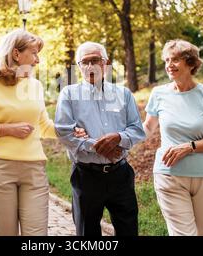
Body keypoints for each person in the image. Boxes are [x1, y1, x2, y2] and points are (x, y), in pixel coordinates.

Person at [0, 29, 85, 236]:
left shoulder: (35, 86)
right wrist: (6, 129)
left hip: (34, 170)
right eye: (34, 53)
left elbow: (43, 126)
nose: (38, 60)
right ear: (17, 54)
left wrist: (71, 131)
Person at [54, 41, 146, 236]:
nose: (89, 66)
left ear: (106, 63)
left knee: (129, 231)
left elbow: (137, 129)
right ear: (78, 66)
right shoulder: (69, 94)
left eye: (95, 60)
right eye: (84, 62)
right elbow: (64, 131)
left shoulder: (124, 94)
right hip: (86, 176)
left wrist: (118, 137)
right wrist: (100, 146)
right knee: (88, 235)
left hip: (120, 175)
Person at [143, 39, 203, 236]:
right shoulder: (158, 94)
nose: (169, 65)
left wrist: (189, 147)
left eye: (175, 60)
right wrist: (120, 137)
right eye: (166, 60)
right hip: (168, 174)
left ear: (190, 63)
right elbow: (147, 128)